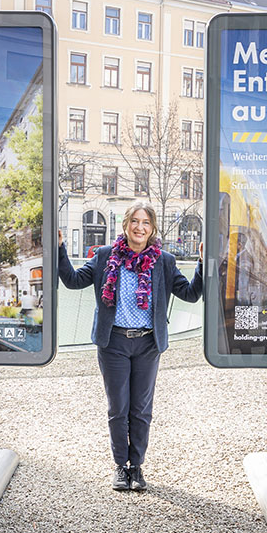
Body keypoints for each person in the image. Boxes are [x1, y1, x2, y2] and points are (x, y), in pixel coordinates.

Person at [58, 202, 203, 491]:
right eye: (135, 221)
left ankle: (137, 467)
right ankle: (120, 467)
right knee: (118, 408)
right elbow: (73, 281)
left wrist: (203, 262)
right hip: (114, 343)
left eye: (146, 222)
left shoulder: (164, 261)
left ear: (153, 229)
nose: (140, 227)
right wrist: (60, 248)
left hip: (148, 343)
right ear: (125, 225)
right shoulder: (104, 257)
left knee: (141, 409)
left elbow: (190, 294)